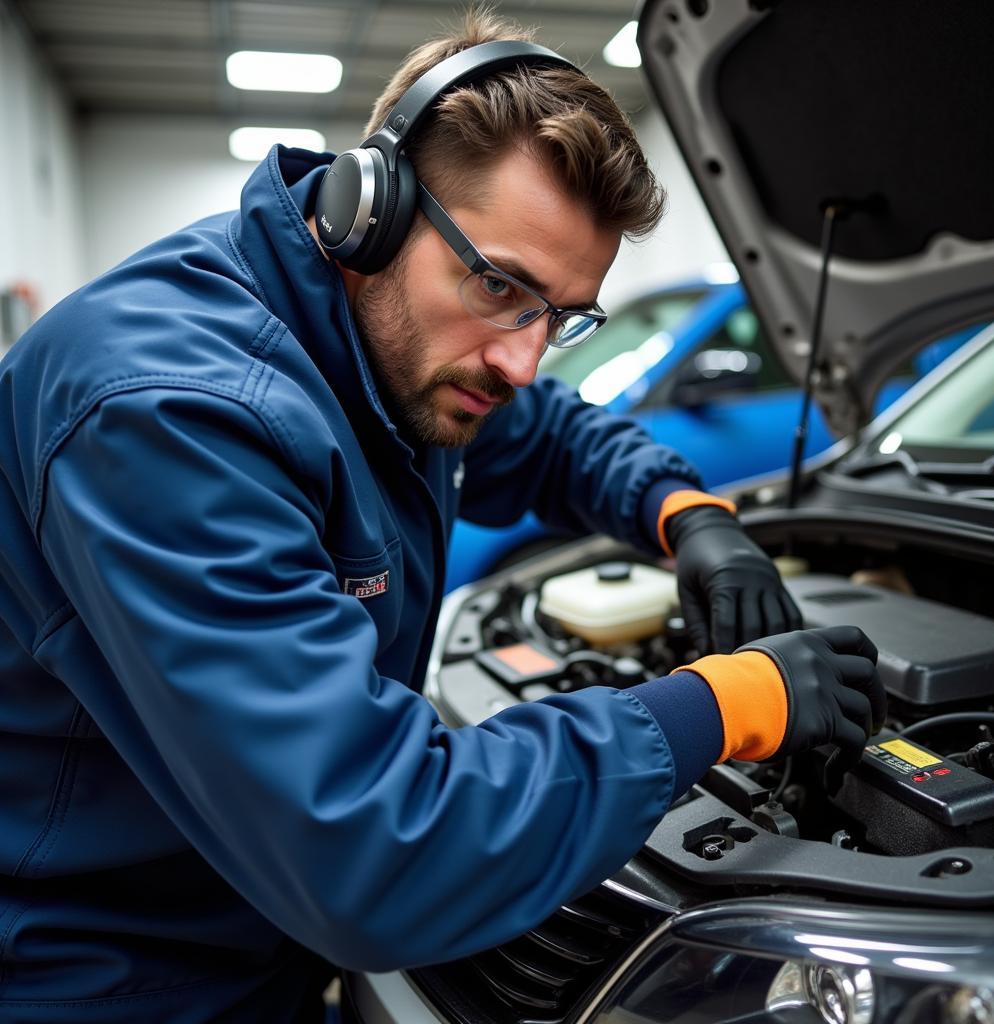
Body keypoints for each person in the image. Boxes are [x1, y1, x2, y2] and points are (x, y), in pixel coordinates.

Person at [0, 8, 885, 1022]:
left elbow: (550, 432)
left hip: (247, 931)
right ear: (366, 211)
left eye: (561, 316)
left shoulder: (381, 346)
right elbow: (370, 846)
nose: (520, 357)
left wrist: (689, 516)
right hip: (105, 981)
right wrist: (720, 705)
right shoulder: (169, 417)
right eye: (499, 283)